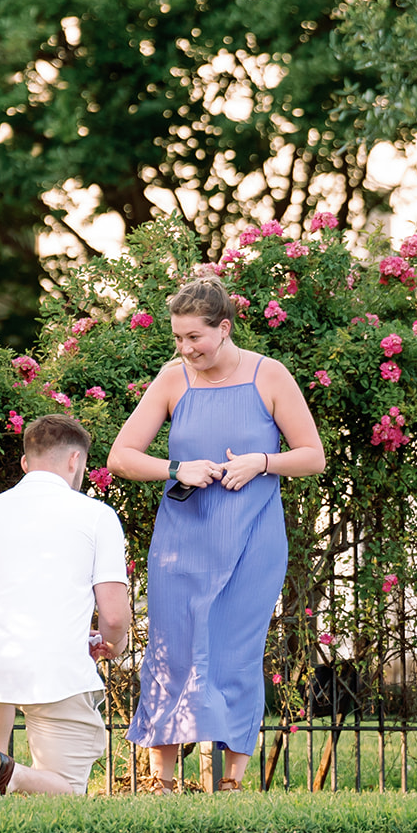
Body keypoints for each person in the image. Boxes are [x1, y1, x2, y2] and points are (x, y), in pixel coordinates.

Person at [109, 275, 325, 792]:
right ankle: (162, 781)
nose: (185, 348)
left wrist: (263, 462)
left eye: (194, 338)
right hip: (182, 540)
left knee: (236, 650)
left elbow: (313, 456)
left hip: (253, 539)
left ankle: (231, 780)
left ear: (223, 328)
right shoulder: (171, 379)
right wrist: (175, 467)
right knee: (171, 646)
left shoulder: (269, 376)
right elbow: (121, 457)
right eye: (178, 339)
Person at [0, 414, 131, 795]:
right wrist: (113, 644)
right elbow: (113, 616)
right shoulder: (96, 516)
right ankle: (11, 776)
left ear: (25, 463)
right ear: (75, 461)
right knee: (66, 789)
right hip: (56, 667)